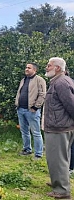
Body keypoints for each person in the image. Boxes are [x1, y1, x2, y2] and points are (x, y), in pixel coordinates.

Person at [44, 57, 74, 199]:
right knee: (60, 158)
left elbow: (71, 105)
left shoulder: (61, 83)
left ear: (57, 68)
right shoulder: (59, 81)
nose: (46, 67)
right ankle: (58, 181)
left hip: (59, 128)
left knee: (58, 159)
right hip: (60, 126)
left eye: (49, 65)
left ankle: (62, 191)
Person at [15, 63, 46, 159]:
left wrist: (36, 107)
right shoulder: (23, 80)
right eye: (26, 67)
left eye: (29, 68)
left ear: (35, 70)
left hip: (32, 111)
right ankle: (27, 149)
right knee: (24, 131)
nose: (26, 69)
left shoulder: (39, 80)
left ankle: (38, 154)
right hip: (21, 109)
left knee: (36, 132)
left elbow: (42, 94)